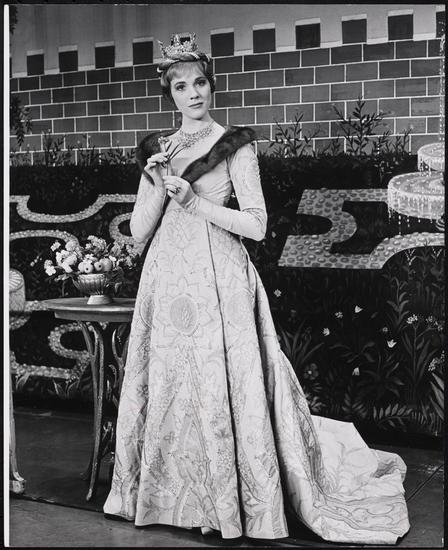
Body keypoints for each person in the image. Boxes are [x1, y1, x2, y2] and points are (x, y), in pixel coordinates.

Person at [103, 32, 410, 544]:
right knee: (174, 384)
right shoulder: (158, 149)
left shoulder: (235, 146)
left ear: (212, 85)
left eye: (200, 83)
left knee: (218, 383)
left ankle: (224, 504)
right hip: (168, 279)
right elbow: (137, 232)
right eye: (181, 86)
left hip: (219, 278)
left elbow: (257, 225)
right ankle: (167, 498)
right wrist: (157, 184)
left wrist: (195, 202)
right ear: (170, 94)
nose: (193, 93)